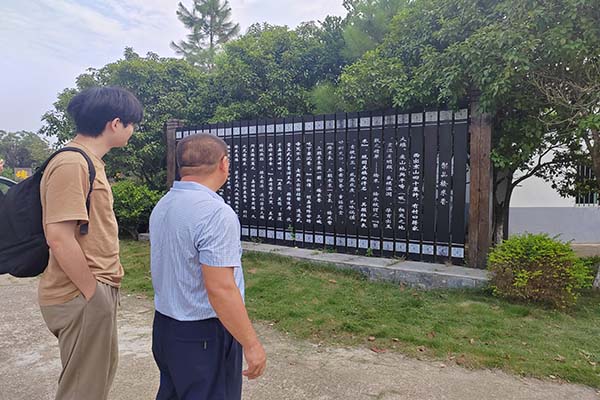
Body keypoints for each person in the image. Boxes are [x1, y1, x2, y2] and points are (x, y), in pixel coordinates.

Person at [39, 86, 143, 400]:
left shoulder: (88, 161)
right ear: (115, 123)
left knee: (94, 383)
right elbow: (59, 237)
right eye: (131, 123)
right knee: (82, 390)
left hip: (91, 289)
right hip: (79, 292)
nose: (132, 130)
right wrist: (92, 292)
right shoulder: (72, 163)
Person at [150, 133, 267, 400]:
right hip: (203, 334)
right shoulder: (215, 213)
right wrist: (251, 344)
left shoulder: (164, 204)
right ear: (224, 163)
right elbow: (220, 288)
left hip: (166, 326)